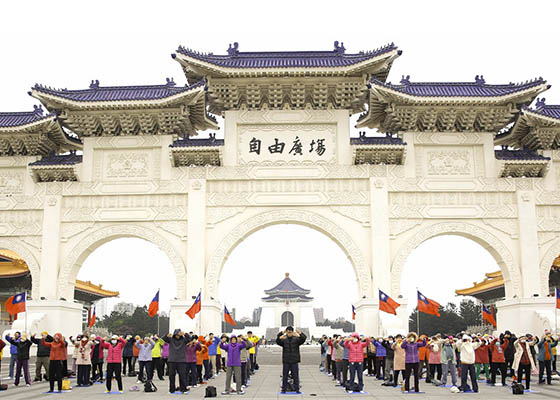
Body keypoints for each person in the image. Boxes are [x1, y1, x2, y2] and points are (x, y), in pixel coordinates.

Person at [163, 329, 191, 394]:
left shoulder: (184, 340)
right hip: (172, 360)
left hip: (181, 360)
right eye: (176, 335)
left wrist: (185, 334)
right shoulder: (171, 339)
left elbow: (190, 339)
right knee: (171, 375)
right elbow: (163, 339)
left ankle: (183, 389)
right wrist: (166, 335)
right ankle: (172, 389)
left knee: (182, 375)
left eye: (179, 335)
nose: (178, 336)